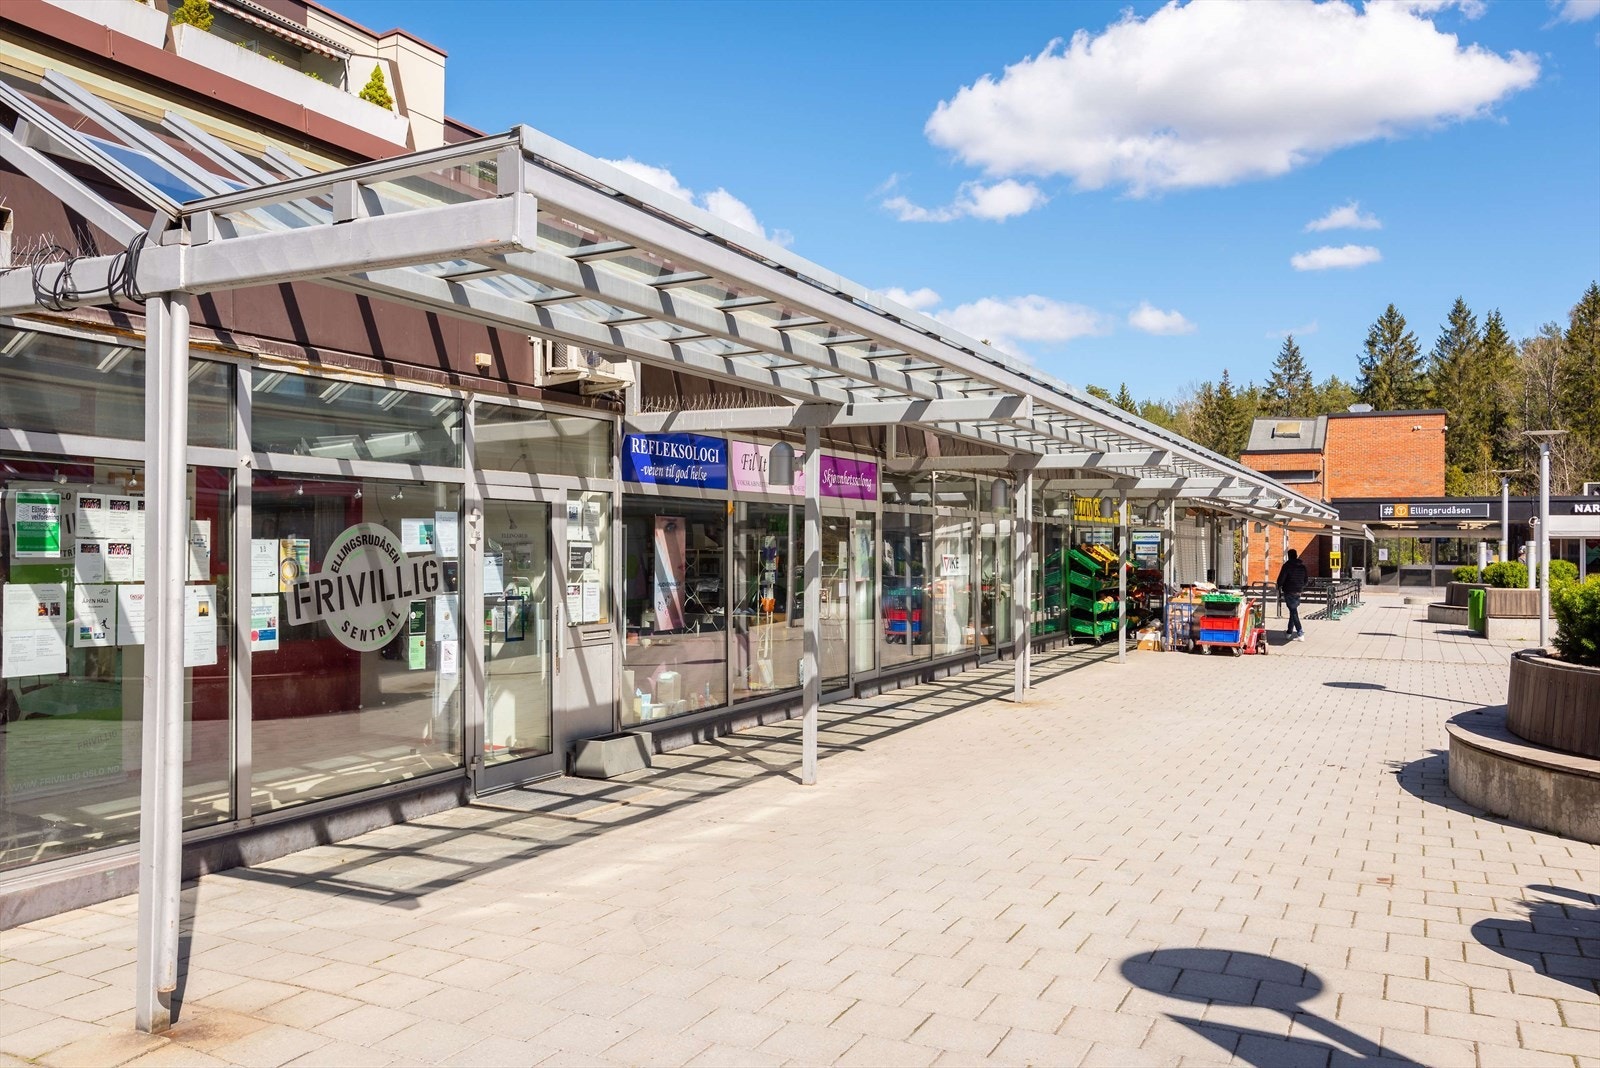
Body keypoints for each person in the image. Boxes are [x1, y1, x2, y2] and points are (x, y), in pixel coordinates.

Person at [1277, 548, 1309, 642]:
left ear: (1288, 556)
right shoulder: (1302, 567)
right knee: (1293, 610)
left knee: (1293, 611)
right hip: (1298, 591)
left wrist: (1279, 586)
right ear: (1296, 555)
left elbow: (1281, 579)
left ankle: (1300, 631)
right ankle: (1289, 632)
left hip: (1289, 591)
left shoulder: (1286, 566)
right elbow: (1306, 580)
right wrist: (1301, 587)